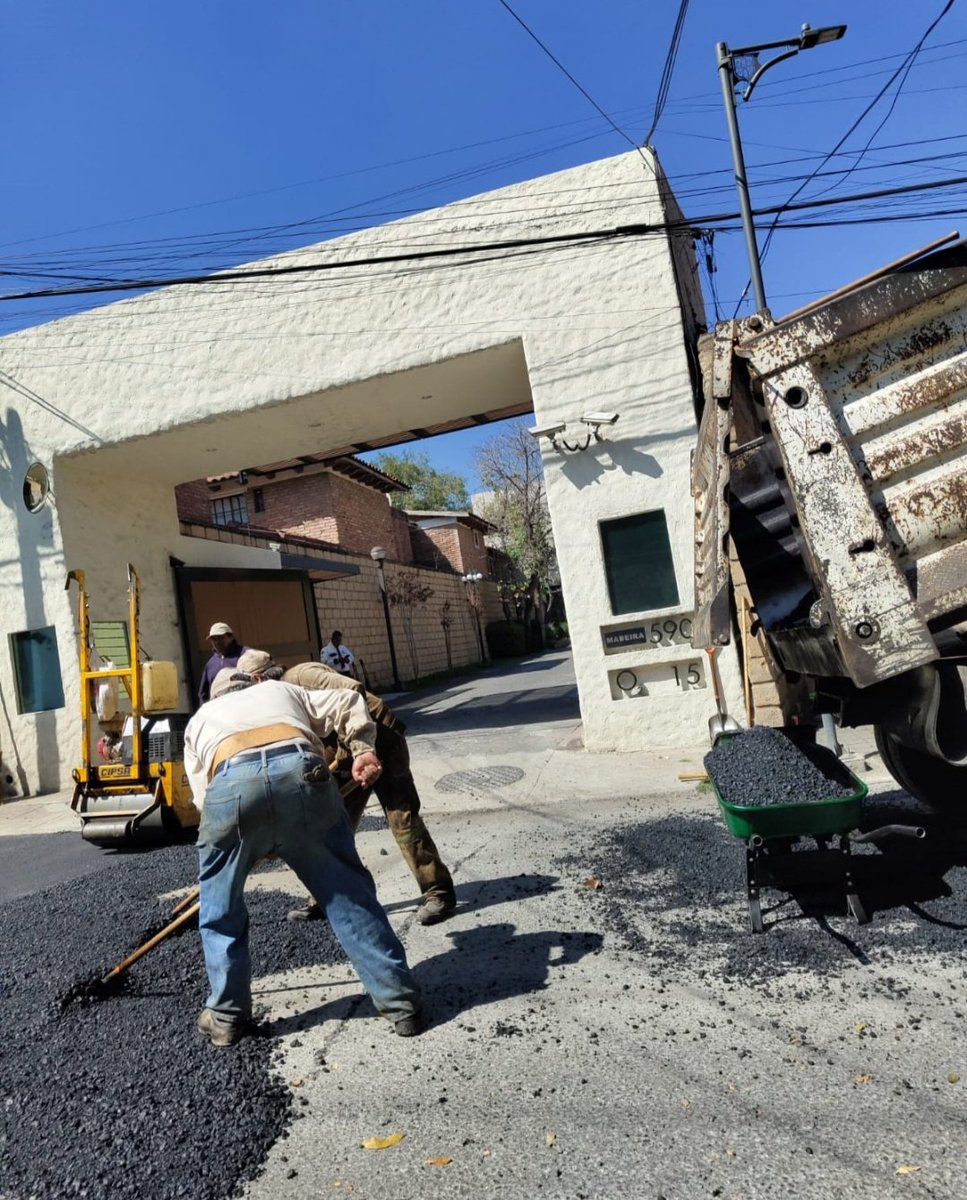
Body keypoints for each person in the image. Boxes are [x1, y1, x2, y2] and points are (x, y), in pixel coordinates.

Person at [183, 660, 423, 1047]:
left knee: (220, 909)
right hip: (302, 772)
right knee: (348, 895)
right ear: (250, 685)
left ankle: (227, 1017)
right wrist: (362, 749)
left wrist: (248, 840)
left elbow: (203, 799)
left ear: (216, 697)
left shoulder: (200, 720)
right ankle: (401, 1003)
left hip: (230, 787)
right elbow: (349, 700)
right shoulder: (279, 690)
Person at [278, 655, 456, 927]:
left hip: (381, 741)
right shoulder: (277, 703)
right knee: (331, 824)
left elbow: (353, 692)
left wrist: (359, 749)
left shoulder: (300, 678)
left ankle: (439, 893)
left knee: (403, 820)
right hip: (347, 755)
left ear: (258, 679)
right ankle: (325, 897)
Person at [197, 622, 249, 704]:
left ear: (231, 637)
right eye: (213, 639)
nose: (217, 642)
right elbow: (203, 694)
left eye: (220, 637)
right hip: (219, 708)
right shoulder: (211, 664)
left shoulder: (245, 655)